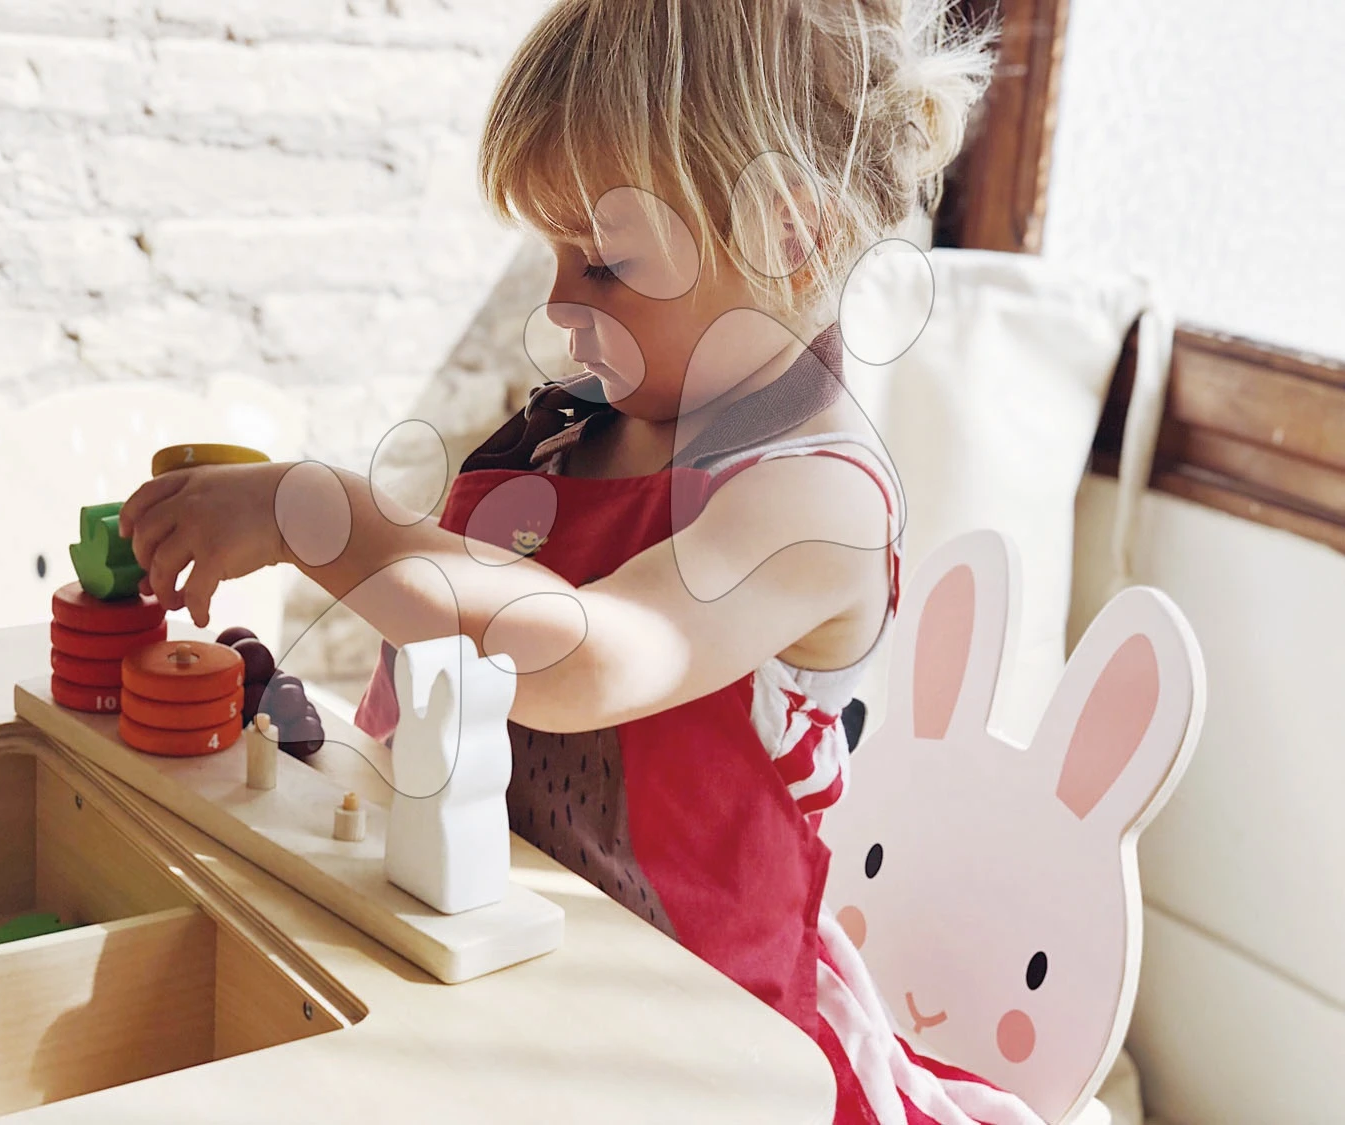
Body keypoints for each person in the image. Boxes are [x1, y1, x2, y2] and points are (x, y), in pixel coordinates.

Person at [120, 2, 1044, 1121]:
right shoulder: (570, 429)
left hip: (698, 1041)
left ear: (789, 239)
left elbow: (587, 661)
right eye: (552, 252)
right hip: (502, 962)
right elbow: (451, 652)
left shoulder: (813, 502)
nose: (559, 305)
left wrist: (318, 513)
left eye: (603, 263)